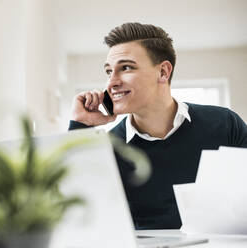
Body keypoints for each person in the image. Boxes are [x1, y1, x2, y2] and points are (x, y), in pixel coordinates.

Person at [68, 22, 247, 230]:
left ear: (163, 72)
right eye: (109, 71)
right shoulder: (108, 148)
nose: (111, 83)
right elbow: (74, 217)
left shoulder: (224, 124)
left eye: (126, 68)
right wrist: (80, 126)